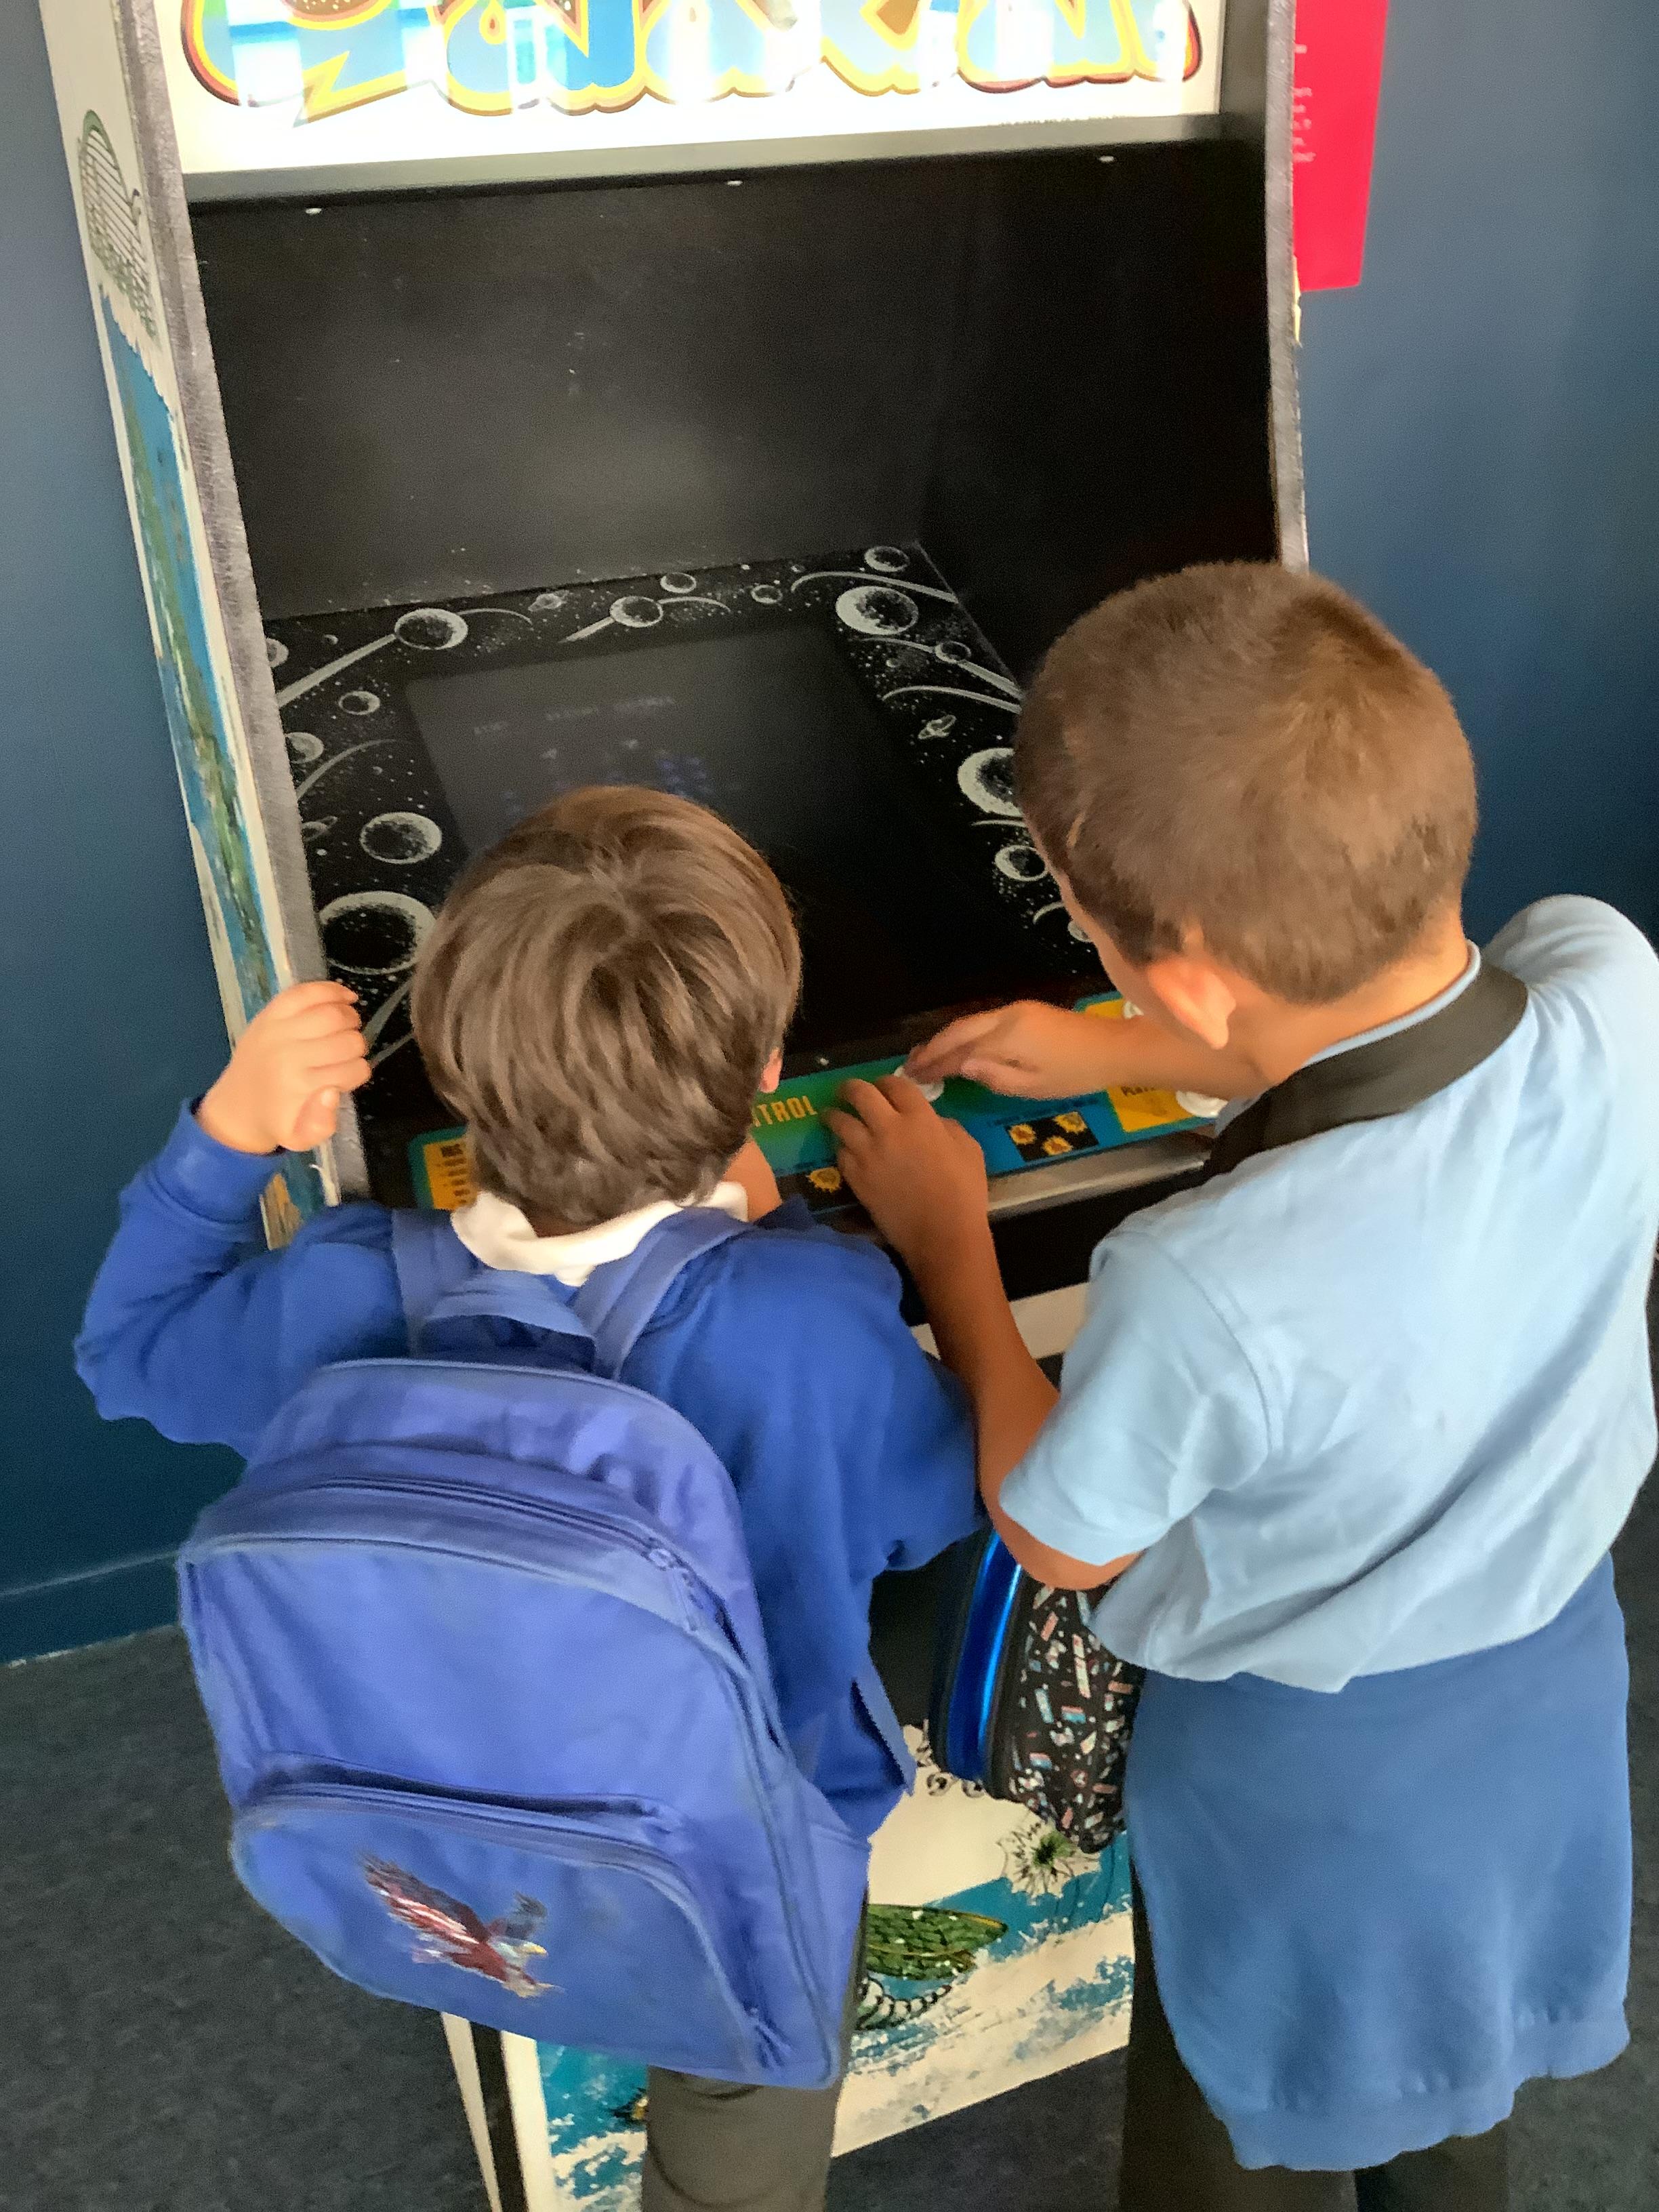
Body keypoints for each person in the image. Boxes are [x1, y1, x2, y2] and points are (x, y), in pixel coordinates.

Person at [829, 561, 1658, 2211]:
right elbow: (1416, 1030)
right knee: (1451, 2051)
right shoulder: (1614, 983)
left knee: (1239, 2101)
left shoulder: (1201, 1281)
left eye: (1091, 930)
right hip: (1548, 1683)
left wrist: (952, 1254)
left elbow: (1061, 1535)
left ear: (1196, 972)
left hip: (1301, 1778)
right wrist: (1123, 1047)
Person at [77, 785, 981, 2212]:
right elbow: (945, 1503)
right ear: (762, 1073)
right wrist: (832, 1232)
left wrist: (230, 1131)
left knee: (525, 1941)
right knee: (743, 2084)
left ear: (449, 1062)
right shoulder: (807, 1323)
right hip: (736, 1854)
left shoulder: (343, 1287)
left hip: (440, 1827)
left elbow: (129, 1351)